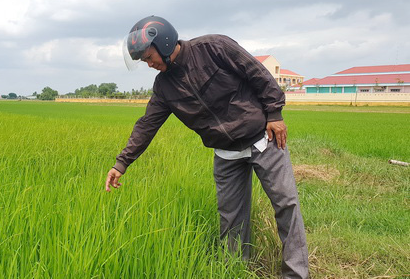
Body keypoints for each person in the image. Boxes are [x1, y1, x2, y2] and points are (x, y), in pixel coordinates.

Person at [105, 15, 309, 279]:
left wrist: (275, 114)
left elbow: (257, 74)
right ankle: (235, 271)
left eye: (148, 57)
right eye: (144, 61)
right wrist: (122, 163)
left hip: (263, 139)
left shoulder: (214, 47)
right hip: (225, 154)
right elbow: (147, 125)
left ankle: (296, 274)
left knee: (286, 205)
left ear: (165, 43)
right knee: (231, 220)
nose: (149, 64)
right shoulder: (164, 87)